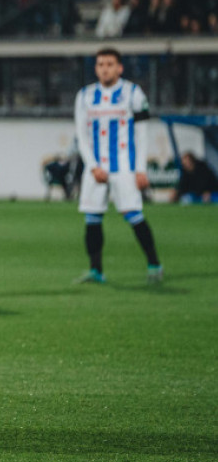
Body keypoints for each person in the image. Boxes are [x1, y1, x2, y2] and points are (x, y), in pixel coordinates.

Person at [72, 47, 162, 284]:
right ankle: (96, 271)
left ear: (119, 68)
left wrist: (140, 169)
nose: (105, 69)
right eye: (101, 64)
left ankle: (154, 265)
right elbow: (81, 136)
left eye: (110, 64)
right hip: (95, 167)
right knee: (92, 217)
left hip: (124, 166)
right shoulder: (85, 96)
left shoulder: (133, 93)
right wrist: (92, 166)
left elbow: (142, 133)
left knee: (133, 214)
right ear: (96, 68)